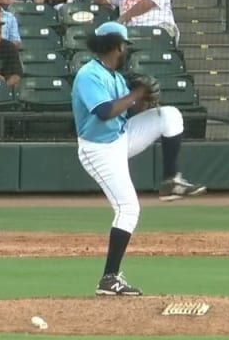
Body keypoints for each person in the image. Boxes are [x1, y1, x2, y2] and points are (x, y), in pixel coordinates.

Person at [71, 21, 205, 296]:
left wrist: (144, 103)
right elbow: (105, 112)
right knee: (128, 209)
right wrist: (135, 95)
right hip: (98, 149)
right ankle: (109, 279)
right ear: (115, 45)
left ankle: (170, 180)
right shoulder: (89, 74)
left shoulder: (117, 77)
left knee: (169, 115)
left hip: (121, 138)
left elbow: (125, 114)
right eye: (124, 45)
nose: (126, 50)